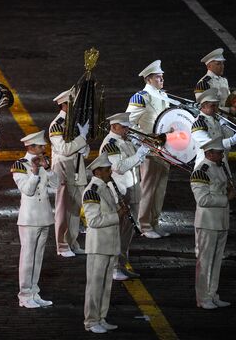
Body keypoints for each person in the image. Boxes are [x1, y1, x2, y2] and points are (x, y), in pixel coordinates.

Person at [11, 130, 59, 308]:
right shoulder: (20, 165)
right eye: (40, 146)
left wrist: (47, 169)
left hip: (45, 216)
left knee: (38, 257)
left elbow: (56, 185)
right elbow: (28, 190)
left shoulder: (44, 162)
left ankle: (34, 291)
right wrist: (35, 172)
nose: (44, 147)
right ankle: (24, 295)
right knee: (28, 257)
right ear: (31, 147)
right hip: (29, 218)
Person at [99, 113, 150, 280]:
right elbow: (119, 167)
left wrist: (140, 151)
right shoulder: (111, 144)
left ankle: (122, 264)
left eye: (127, 126)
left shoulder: (124, 141)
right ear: (114, 127)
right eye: (124, 126)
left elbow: (135, 163)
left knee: (127, 233)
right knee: (118, 232)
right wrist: (139, 154)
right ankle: (114, 268)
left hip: (132, 190)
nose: (127, 129)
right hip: (120, 193)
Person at [126, 60, 171, 239]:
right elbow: (129, 123)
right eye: (158, 77)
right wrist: (142, 141)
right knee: (148, 187)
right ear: (148, 79)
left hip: (165, 148)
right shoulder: (141, 97)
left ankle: (154, 222)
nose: (162, 79)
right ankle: (144, 225)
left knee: (160, 188)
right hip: (149, 149)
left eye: (162, 77)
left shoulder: (163, 95)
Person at [190, 137, 236, 309]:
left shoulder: (220, 167)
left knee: (216, 262)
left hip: (221, 220)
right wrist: (226, 198)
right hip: (208, 222)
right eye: (219, 153)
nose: (222, 156)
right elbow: (202, 200)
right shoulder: (201, 171)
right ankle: (202, 298)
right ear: (209, 153)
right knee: (205, 262)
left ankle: (212, 294)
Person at [83, 152, 126, 334]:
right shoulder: (92, 192)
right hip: (98, 245)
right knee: (95, 285)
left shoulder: (105, 188)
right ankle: (91, 321)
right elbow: (93, 221)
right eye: (108, 170)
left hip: (109, 243)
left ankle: (101, 317)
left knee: (106, 284)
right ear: (98, 171)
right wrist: (118, 215)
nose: (111, 172)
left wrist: (118, 210)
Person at [49, 89, 90, 257]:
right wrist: (81, 139)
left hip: (77, 167)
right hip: (64, 169)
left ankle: (72, 242)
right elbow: (64, 149)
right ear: (64, 105)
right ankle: (62, 245)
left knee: (75, 208)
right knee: (63, 209)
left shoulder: (74, 123)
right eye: (72, 104)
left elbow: (82, 147)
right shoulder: (57, 125)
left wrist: (84, 145)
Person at [191, 88, 236, 172]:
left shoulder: (216, 120)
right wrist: (233, 140)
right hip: (206, 168)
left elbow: (228, 136)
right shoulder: (199, 124)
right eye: (213, 106)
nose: (216, 109)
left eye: (217, 105)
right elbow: (211, 146)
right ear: (203, 106)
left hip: (221, 164)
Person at [194, 48, 236, 115]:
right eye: (218, 64)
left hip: (226, 118)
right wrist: (229, 110)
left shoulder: (224, 80)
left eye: (222, 63)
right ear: (209, 66)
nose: (222, 66)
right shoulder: (203, 83)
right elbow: (205, 108)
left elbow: (228, 100)